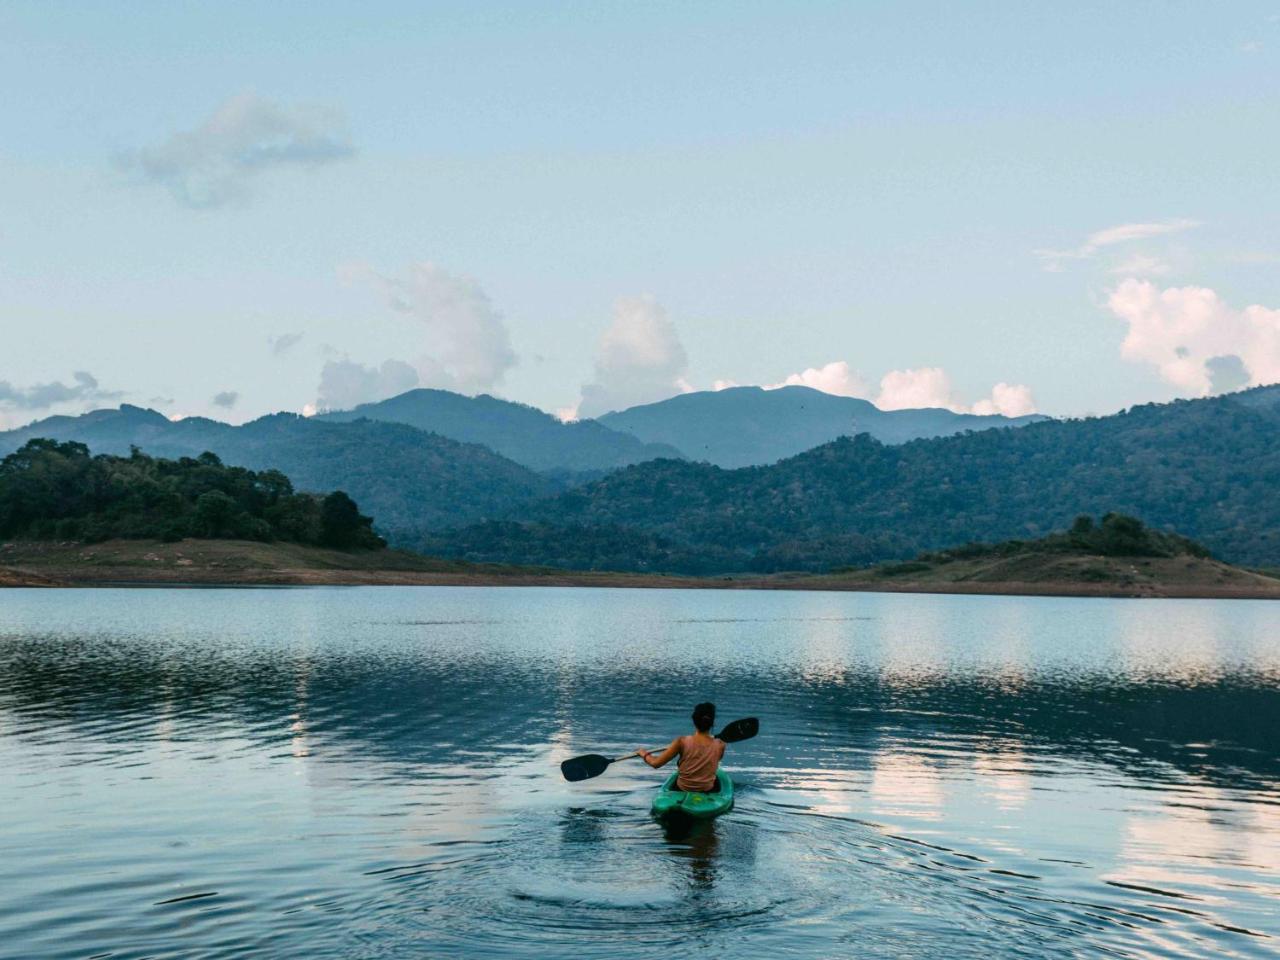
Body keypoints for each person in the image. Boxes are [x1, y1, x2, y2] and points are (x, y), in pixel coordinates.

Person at [637, 702, 726, 792]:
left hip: (683, 787)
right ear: (712, 723)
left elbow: (655, 764)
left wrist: (643, 753)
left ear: (693, 720)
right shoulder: (720, 744)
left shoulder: (681, 741)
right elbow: (712, 762)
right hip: (707, 788)